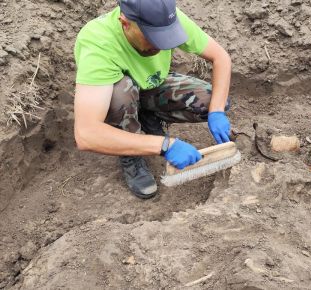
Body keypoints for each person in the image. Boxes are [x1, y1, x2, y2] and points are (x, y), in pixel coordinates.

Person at [73, 0, 232, 199]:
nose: (160, 44)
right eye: (153, 37)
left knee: (212, 100)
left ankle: (148, 115)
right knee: (120, 91)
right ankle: (131, 153)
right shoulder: (98, 42)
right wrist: (165, 146)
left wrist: (216, 111)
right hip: (116, 95)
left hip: (150, 86)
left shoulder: (167, 20)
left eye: (166, 37)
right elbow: (86, 133)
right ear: (125, 23)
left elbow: (221, 57)